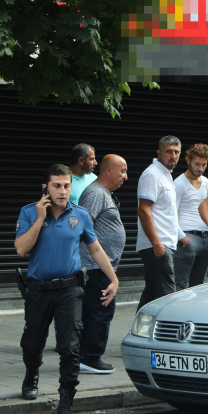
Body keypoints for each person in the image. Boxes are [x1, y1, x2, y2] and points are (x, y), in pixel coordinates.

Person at [15, 164, 119, 414]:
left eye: (67, 186)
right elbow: (21, 249)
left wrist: (114, 279)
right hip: (38, 289)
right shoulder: (29, 212)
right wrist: (39, 218)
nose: (63, 191)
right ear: (45, 188)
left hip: (69, 289)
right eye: (57, 186)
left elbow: (95, 249)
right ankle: (31, 375)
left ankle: (65, 403)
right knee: (32, 344)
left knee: (70, 347)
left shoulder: (80, 214)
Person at [77, 154, 128, 375]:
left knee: (98, 310)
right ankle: (89, 357)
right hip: (95, 266)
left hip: (101, 266)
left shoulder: (102, 193)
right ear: (108, 170)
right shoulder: (96, 193)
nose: (125, 176)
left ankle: (86, 355)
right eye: (122, 171)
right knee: (100, 311)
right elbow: (84, 227)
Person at [137, 136, 187, 309]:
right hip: (158, 245)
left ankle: (139, 325)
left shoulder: (166, 175)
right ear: (159, 153)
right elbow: (144, 211)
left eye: (176, 152)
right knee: (168, 298)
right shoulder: (152, 175)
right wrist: (157, 243)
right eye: (169, 152)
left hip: (164, 244)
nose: (173, 156)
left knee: (152, 296)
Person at [173, 143, 208, 290]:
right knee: (180, 284)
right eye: (197, 164)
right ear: (188, 160)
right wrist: (182, 237)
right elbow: (172, 213)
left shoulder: (206, 182)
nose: (200, 168)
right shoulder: (179, 183)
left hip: (205, 238)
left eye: (204, 165)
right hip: (187, 236)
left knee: (199, 285)